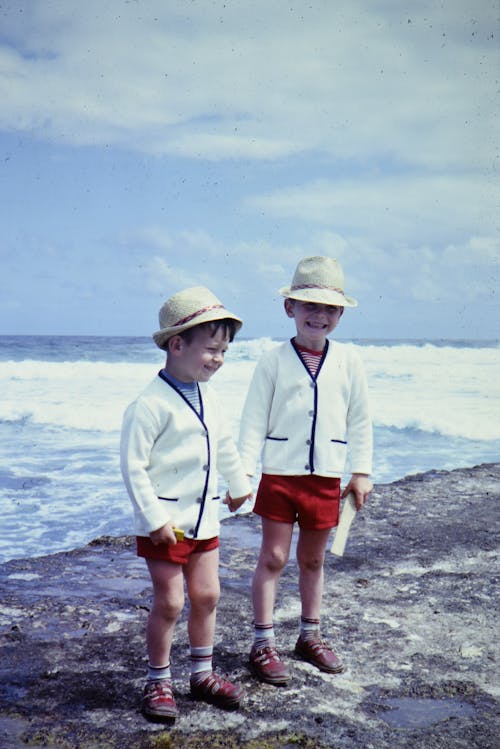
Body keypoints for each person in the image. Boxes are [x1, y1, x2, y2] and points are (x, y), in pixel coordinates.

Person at [238, 256, 372, 685]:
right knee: (274, 557)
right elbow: (252, 422)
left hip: (326, 476)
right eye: (309, 305)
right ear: (289, 308)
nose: (320, 315)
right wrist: (243, 474)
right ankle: (262, 643)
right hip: (279, 475)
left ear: (341, 315)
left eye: (330, 308)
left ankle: (309, 636)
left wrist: (361, 471)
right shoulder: (272, 361)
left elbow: (360, 420)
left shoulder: (350, 361)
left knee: (313, 559)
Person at [120, 286, 252, 722]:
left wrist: (237, 484)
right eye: (211, 349)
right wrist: (154, 519)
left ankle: (201, 673)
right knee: (171, 602)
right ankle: (158, 681)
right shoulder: (148, 405)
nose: (218, 359)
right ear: (177, 345)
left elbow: (225, 444)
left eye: (224, 351)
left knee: (208, 594)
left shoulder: (208, 395)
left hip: (204, 517)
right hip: (167, 523)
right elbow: (134, 468)